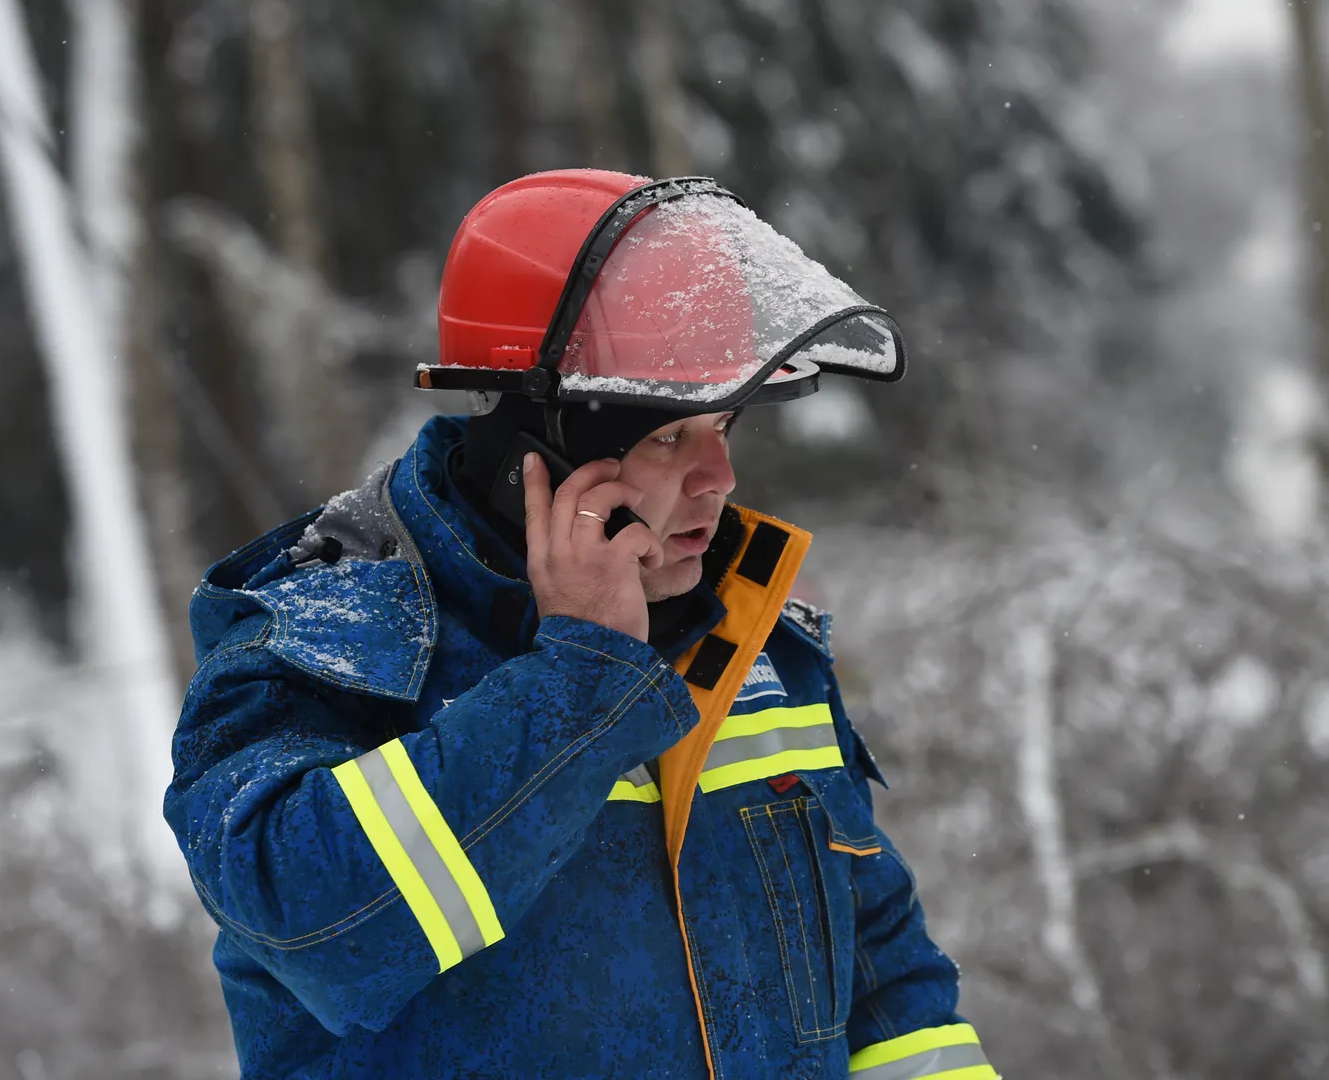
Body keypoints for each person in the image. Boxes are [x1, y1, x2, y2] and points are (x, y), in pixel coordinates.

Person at [166, 170, 998, 1079]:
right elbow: (323, 927)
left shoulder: (756, 644)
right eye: (669, 437)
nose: (717, 477)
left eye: (726, 427)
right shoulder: (320, 645)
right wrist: (581, 679)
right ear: (538, 456)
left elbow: (884, 987)